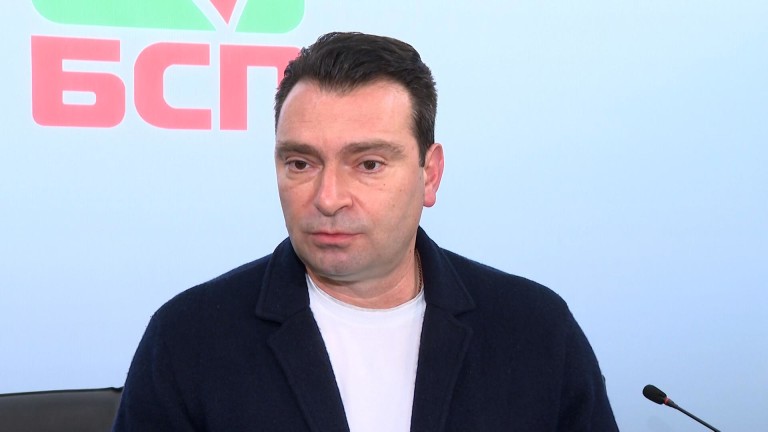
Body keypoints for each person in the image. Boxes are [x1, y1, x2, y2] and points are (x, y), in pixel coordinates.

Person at [113, 32, 618, 431]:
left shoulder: (535, 330)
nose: (328, 197)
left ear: (430, 174)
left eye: (368, 164)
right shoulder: (189, 339)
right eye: (301, 163)